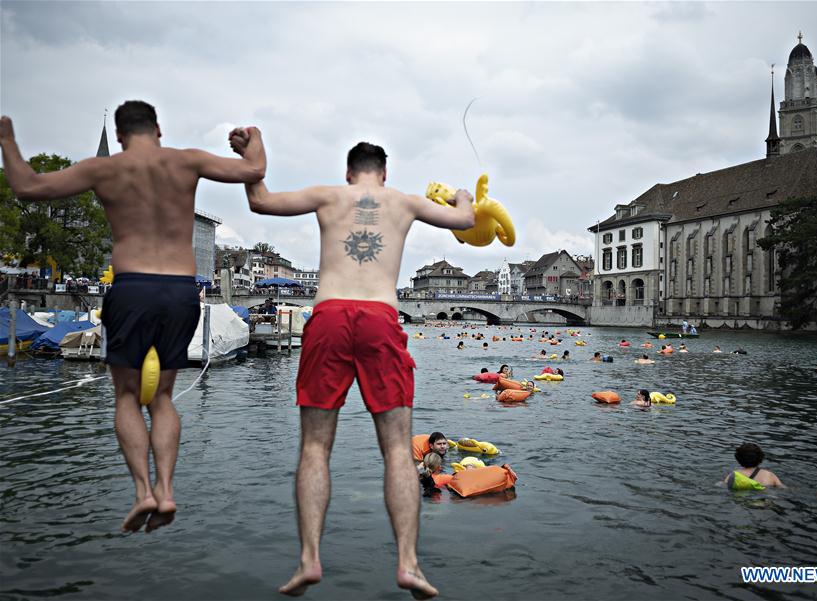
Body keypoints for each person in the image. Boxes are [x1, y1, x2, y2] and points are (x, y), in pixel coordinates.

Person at [0, 103, 266, 533]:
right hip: (181, 289)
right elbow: (254, 171)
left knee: (127, 397)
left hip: (132, 286)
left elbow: (28, 186)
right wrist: (252, 141)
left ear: (120, 136)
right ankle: (167, 491)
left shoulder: (106, 168)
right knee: (161, 398)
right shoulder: (187, 160)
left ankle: (143, 492)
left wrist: (7, 139)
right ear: (159, 129)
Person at [237, 138, 474, 599]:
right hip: (380, 318)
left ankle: (308, 559)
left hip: (327, 316)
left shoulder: (329, 195)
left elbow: (259, 199)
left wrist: (255, 151)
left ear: (349, 173)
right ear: (383, 174)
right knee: (396, 449)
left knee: (314, 448)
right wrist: (461, 196)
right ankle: (407, 564)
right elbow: (465, 220)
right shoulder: (404, 201)